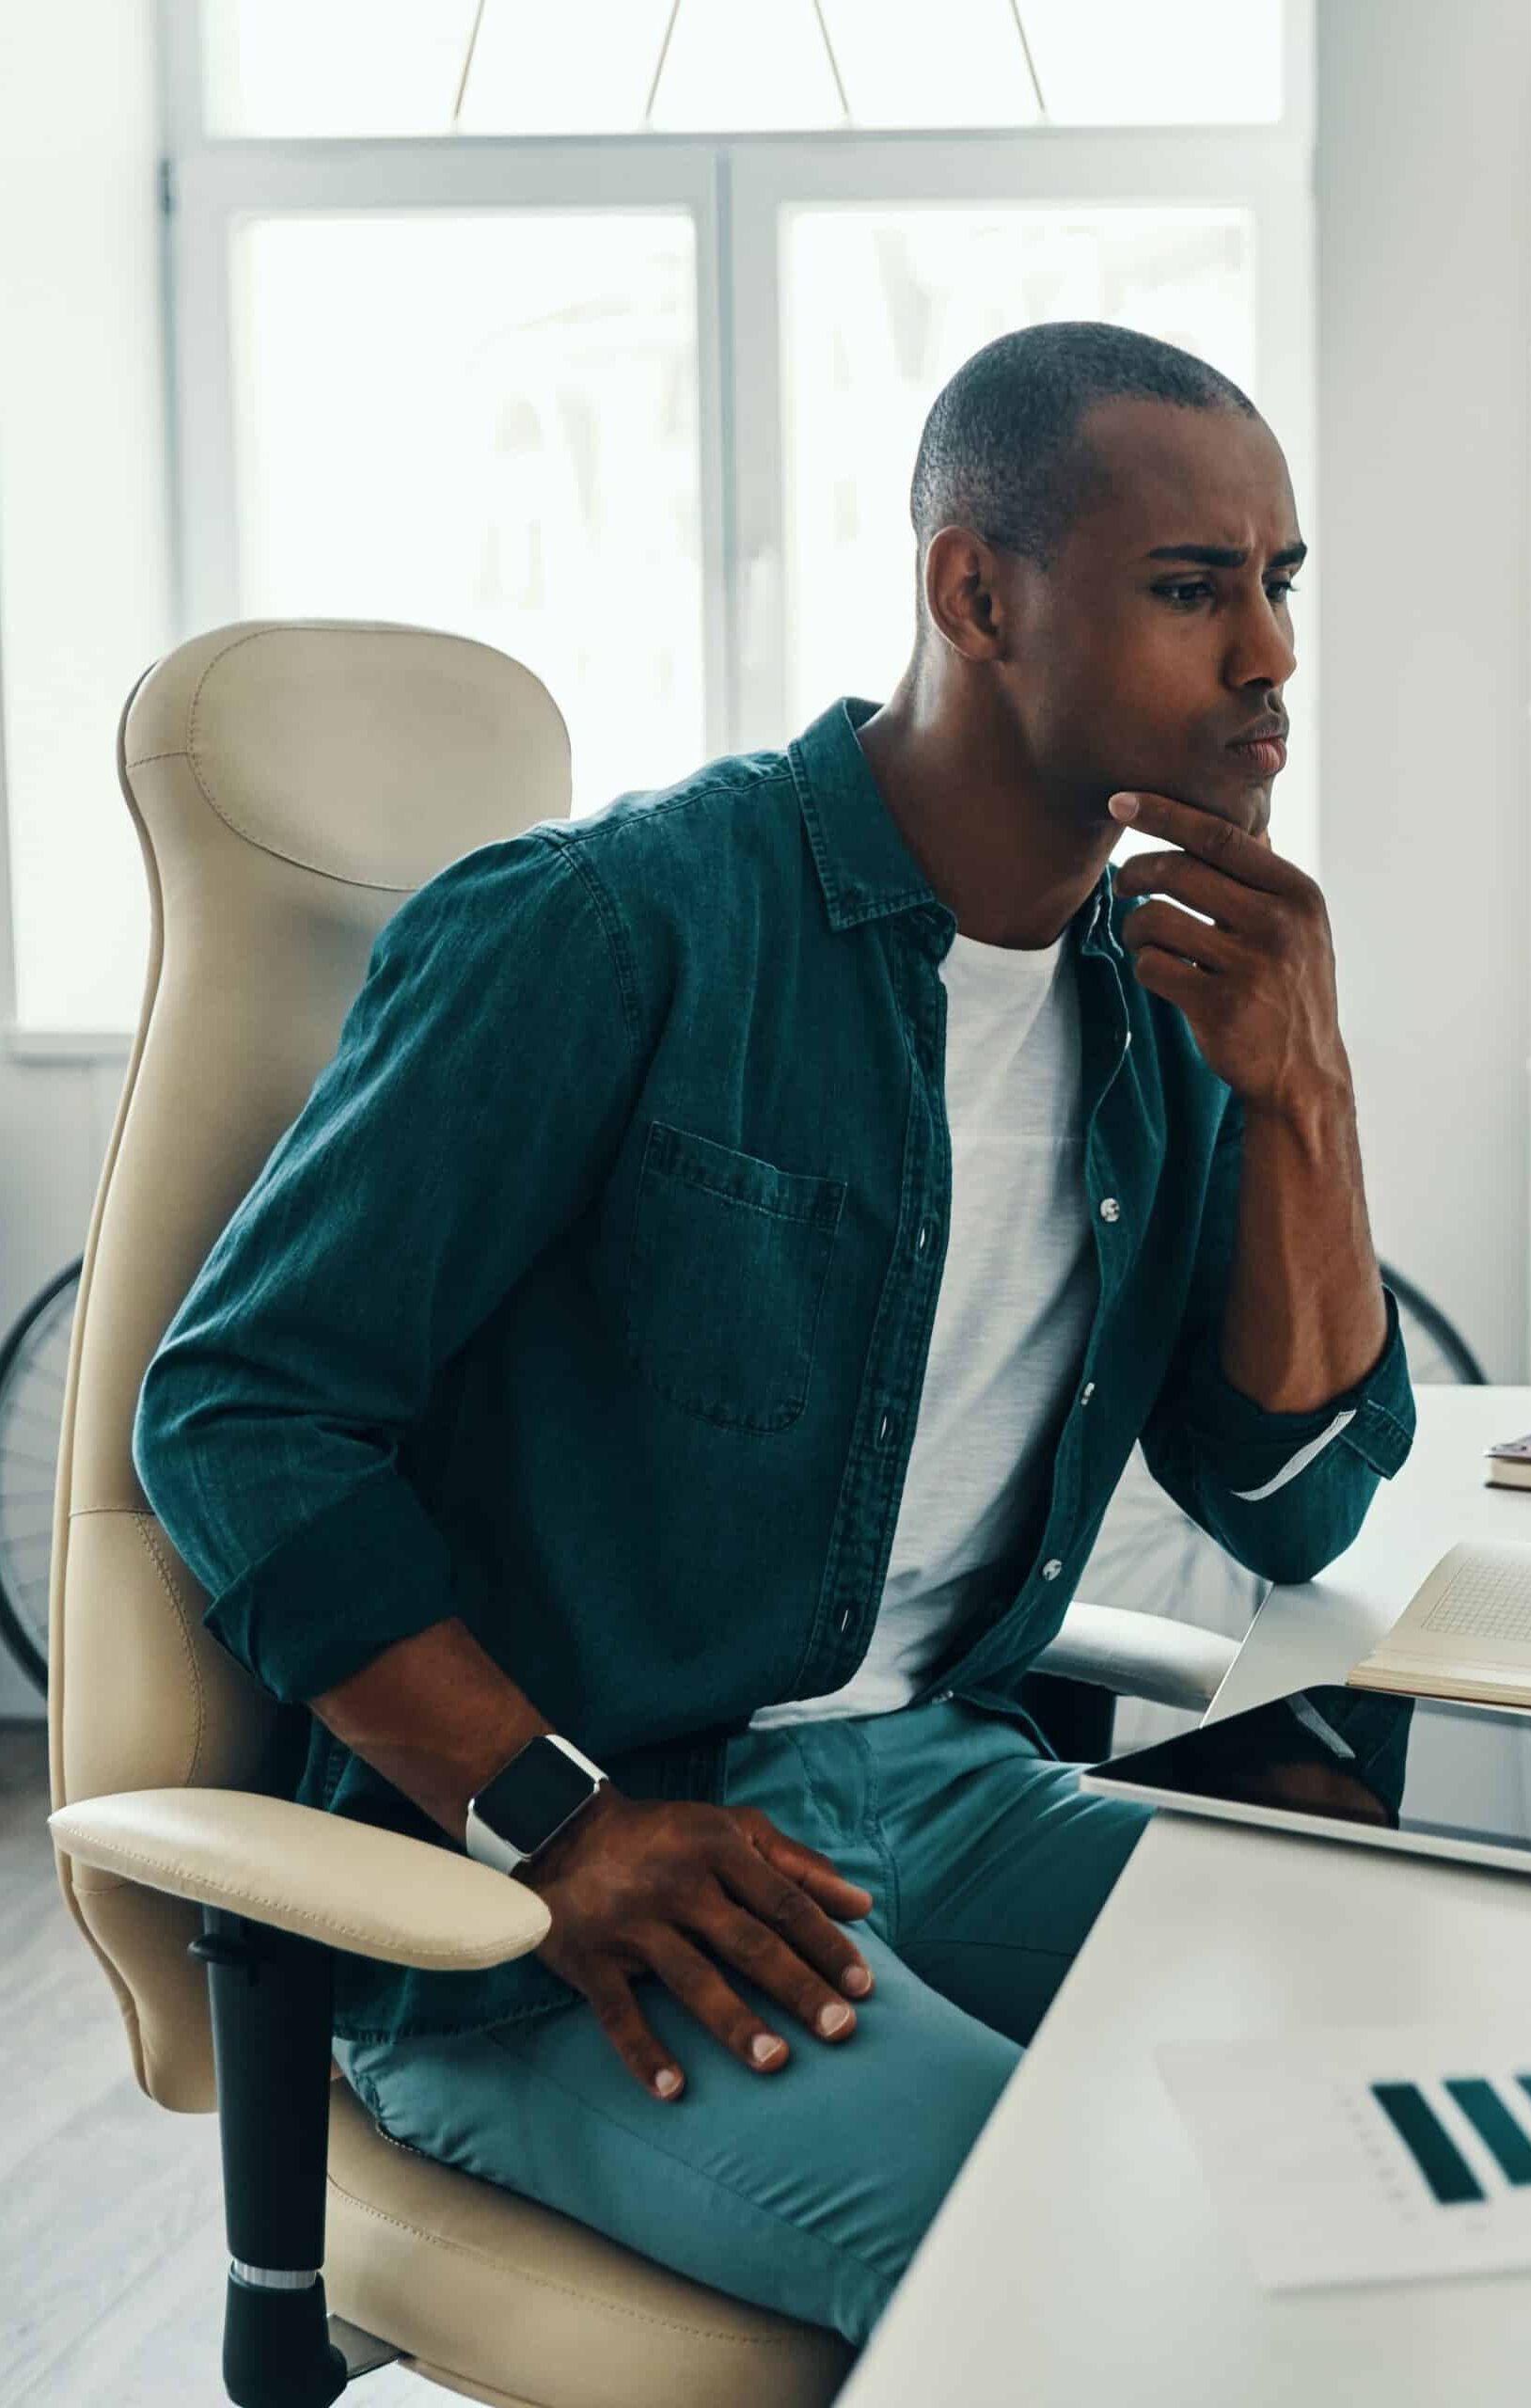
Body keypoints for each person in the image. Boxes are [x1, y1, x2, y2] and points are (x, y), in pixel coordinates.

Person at [132, 320, 1416, 2352]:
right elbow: (234, 1412)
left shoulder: (1162, 1001)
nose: (1264, 653)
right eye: (1191, 588)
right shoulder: (613, 924)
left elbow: (1291, 1492)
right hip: (552, 1896)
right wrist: (554, 1820)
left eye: (1277, 584)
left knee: (1429, 2035)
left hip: (946, 1789)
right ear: (972, 593)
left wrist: (1302, 1090)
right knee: (1109, 2264)